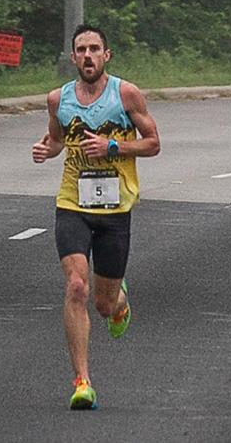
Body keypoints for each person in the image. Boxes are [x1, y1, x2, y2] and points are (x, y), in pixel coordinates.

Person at [32, 23, 160, 411]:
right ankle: (82, 381)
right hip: (73, 203)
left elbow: (153, 143)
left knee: (103, 304)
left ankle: (119, 303)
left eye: (94, 49)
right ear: (72, 57)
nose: (88, 56)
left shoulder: (126, 94)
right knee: (76, 286)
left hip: (115, 207)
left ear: (107, 55)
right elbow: (56, 138)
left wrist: (112, 146)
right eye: (81, 50)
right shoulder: (59, 99)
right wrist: (45, 149)